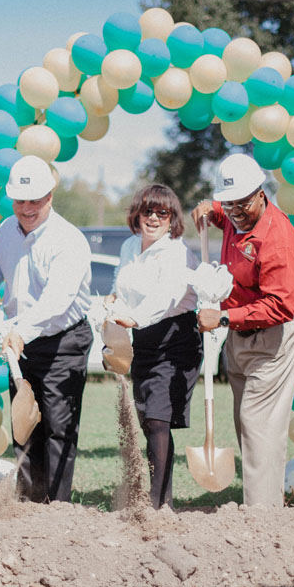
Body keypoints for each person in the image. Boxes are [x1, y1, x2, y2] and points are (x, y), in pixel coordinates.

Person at [191, 153, 294, 507]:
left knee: (258, 423)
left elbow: (280, 306)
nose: (235, 211)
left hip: (273, 333)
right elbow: (215, 207)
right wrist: (207, 208)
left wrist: (222, 319)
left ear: (261, 193)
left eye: (243, 203)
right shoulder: (228, 212)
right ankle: (268, 497)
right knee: (247, 424)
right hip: (239, 331)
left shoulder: (279, 241)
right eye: (229, 204)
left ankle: (262, 515)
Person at [0, 155, 93, 503]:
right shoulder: (5, 233)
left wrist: (21, 331)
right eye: (19, 200)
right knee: (25, 424)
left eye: (34, 200)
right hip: (23, 342)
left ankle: (57, 508)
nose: (26, 208)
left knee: (59, 427)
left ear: (50, 197)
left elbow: (57, 300)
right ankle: (29, 503)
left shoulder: (67, 240)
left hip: (63, 341)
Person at [107, 184, 202, 509]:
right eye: (147, 211)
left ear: (172, 217)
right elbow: (121, 279)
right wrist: (114, 298)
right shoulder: (130, 246)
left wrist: (134, 317)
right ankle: (163, 499)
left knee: (159, 418)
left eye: (162, 213)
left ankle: (157, 502)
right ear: (137, 214)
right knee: (150, 419)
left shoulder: (176, 251)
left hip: (174, 338)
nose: (153, 218)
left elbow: (169, 296)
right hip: (142, 340)